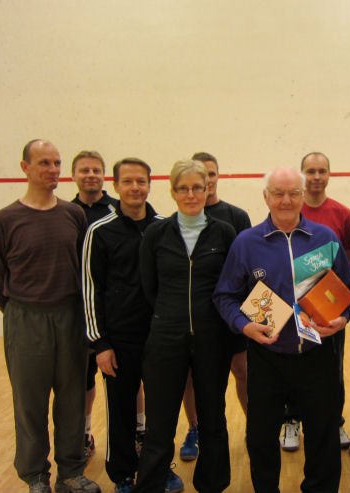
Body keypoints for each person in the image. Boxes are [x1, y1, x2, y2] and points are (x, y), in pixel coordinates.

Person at [213, 167, 350, 492]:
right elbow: (225, 296)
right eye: (278, 193)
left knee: (323, 436)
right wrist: (244, 325)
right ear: (266, 197)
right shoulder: (246, 243)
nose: (286, 200)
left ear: (303, 196)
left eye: (293, 193)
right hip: (267, 357)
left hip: (318, 355)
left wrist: (342, 319)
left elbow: (348, 290)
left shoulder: (325, 238)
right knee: (261, 437)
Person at [0, 139, 100, 493]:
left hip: (70, 318)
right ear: (25, 168)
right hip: (26, 320)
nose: (53, 169)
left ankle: (71, 472)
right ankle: (35, 475)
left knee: (72, 400)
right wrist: (23, 314)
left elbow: (83, 270)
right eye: (44, 163)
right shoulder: (4, 220)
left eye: (57, 163)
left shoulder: (73, 214)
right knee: (30, 403)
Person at [134, 159, 236, 493]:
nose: (190, 194)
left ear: (207, 189)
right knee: (160, 423)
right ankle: (151, 486)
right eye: (183, 188)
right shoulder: (156, 233)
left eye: (197, 187)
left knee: (213, 418)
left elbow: (232, 285)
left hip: (212, 339)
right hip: (165, 338)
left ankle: (212, 485)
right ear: (173, 192)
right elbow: (149, 287)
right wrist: (171, 317)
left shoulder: (224, 233)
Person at [82, 157, 171, 493]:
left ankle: (159, 470)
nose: (135, 187)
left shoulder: (165, 227)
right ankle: (123, 475)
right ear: (116, 185)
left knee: (161, 412)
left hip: (160, 338)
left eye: (141, 181)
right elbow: (90, 289)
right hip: (119, 342)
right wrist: (100, 343)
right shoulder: (99, 231)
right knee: (120, 412)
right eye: (128, 181)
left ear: (150, 184)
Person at [280, 151, 350, 452]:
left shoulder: (342, 214)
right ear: (301, 175)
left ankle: (334, 421)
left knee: (332, 369)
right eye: (310, 171)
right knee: (291, 367)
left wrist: (326, 294)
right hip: (292, 310)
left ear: (328, 174)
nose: (316, 177)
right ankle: (291, 420)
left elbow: (346, 258)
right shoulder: (289, 210)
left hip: (327, 309)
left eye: (321, 171)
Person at [178, 151, 251, 462]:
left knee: (243, 371)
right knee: (191, 377)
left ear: (217, 176)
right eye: (199, 176)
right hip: (196, 316)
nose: (205, 181)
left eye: (210, 174)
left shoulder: (237, 216)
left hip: (232, 315)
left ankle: (254, 427)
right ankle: (194, 428)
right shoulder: (180, 219)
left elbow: (248, 268)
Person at [70, 150, 118, 458]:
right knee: (83, 378)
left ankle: (139, 431)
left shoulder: (118, 209)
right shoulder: (65, 211)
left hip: (115, 312)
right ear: (74, 175)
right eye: (84, 170)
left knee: (125, 377)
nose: (90, 175)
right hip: (78, 312)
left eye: (96, 170)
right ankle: (85, 434)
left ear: (104, 175)